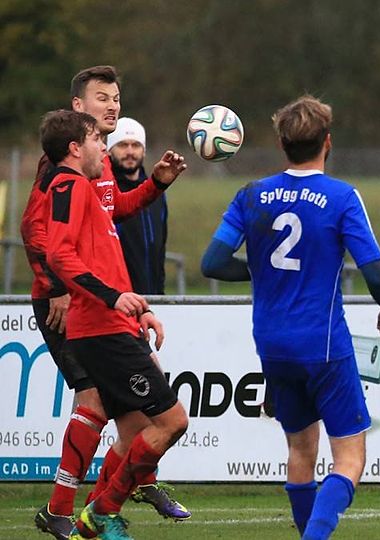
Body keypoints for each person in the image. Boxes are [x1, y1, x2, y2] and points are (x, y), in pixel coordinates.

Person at [201, 95, 380, 540]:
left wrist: (261, 271)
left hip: (272, 344)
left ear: (281, 144)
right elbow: (374, 271)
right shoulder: (341, 197)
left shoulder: (251, 195)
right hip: (322, 343)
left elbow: (212, 263)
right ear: (327, 142)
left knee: (299, 451)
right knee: (350, 458)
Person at [23, 67, 188, 540]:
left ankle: (99, 508)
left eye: (116, 97)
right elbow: (38, 229)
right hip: (74, 301)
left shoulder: (100, 164)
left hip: (104, 303)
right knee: (99, 402)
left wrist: (155, 185)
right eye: (102, 98)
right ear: (78, 107)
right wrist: (56, 285)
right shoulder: (61, 169)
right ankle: (76, 509)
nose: (113, 105)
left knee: (135, 419)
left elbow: (111, 216)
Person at [108, 117, 168, 295]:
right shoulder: (105, 191)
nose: (130, 152)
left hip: (154, 299)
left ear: (144, 151)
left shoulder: (157, 193)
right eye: (122, 145)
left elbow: (160, 249)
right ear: (109, 150)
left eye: (135, 145)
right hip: (118, 300)